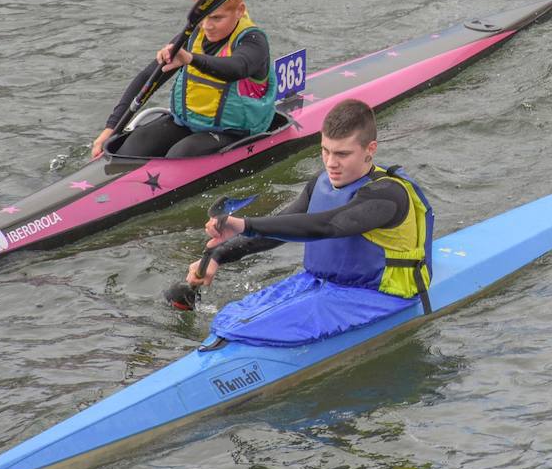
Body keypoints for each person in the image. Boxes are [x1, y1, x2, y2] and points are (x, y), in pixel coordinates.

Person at [172, 99, 434, 341]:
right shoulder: (322, 182)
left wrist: (244, 224)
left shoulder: (386, 194)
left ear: (370, 149)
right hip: (322, 285)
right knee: (231, 319)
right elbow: (282, 226)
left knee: (247, 331)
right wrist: (219, 255)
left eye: (342, 154)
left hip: (382, 296)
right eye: (325, 151)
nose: (331, 163)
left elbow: (326, 226)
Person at [92, 0, 276, 159]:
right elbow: (148, 77)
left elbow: (237, 68)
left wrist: (190, 59)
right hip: (188, 123)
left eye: (216, 18)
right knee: (135, 144)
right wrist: (111, 128)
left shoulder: (253, 40)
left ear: (239, 10)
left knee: (180, 154)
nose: (207, 26)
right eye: (203, 17)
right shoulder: (192, 35)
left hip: (234, 132)